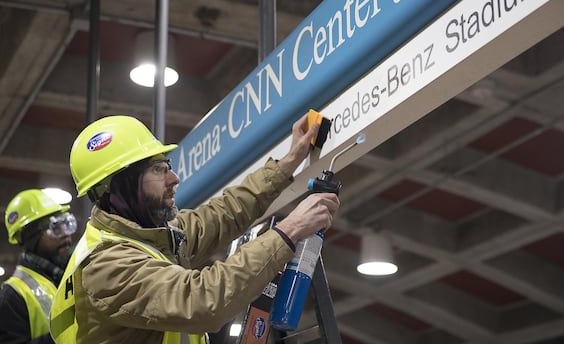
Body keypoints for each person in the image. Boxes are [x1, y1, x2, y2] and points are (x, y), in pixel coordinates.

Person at [49, 114, 339, 344]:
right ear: (121, 187)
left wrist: (287, 164)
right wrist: (290, 229)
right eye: (157, 169)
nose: (174, 178)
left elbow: (222, 214)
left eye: (168, 165)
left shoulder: (150, 236)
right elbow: (201, 301)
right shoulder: (107, 266)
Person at [0, 189, 77, 344]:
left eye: (67, 224)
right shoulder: (12, 296)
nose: (66, 235)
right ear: (31, 237)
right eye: (56, 228)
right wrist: (72, 331)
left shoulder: (70, 274)